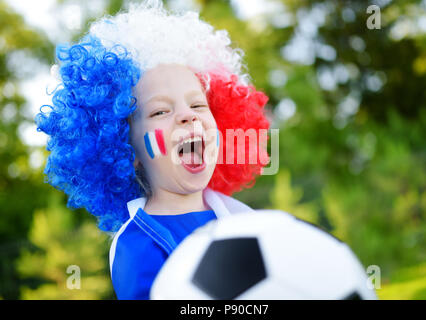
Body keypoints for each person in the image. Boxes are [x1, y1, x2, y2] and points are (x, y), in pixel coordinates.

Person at [35, 0, 270, 299]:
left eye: (198, 104)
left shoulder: (242, 218)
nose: (189, 115)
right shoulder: (138, 245)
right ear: (127, 152)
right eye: (160, 112)